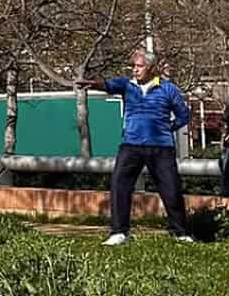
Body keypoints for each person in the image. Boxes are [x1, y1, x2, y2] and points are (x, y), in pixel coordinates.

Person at [78, 49, 193, 245]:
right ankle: (119, 232)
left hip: (161, 147)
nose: (135, 70)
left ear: (152, 68)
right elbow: (107, 85)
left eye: (140, 66)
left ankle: (180, 232)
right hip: (131, 145)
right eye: (134, 66)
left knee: (171, 189)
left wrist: (168, 128)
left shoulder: (169, 89)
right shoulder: (127, 85)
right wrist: (92, 84)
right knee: (119, 185)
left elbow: (184, 115)